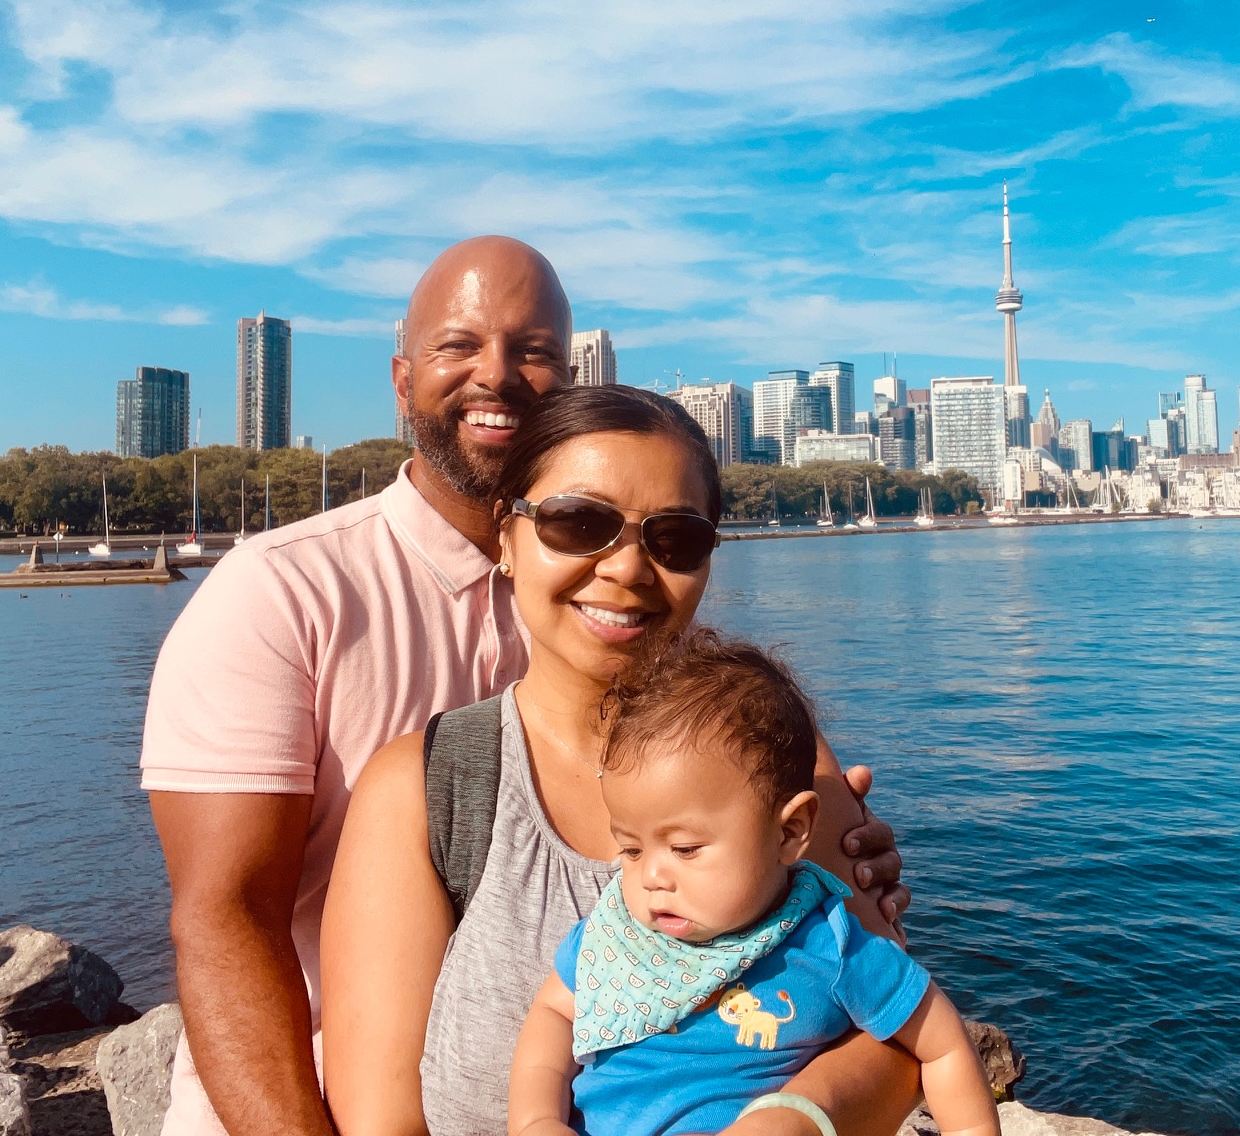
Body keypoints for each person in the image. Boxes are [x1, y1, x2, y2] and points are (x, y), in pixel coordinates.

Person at [141, 238, 907, 1136]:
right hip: (283, 1102)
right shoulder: (281, 594)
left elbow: (885, 1002)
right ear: (401, 377)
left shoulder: (697, 686)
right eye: (457, 345)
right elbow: (224, 917)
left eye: (535, 351)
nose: (496, 376)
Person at [320, 386, 924, 1136]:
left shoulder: (775, 749)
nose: (629, 568)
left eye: (674, 538)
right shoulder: (427, 789)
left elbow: (906, 1034)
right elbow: (380, 1119)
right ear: (505, 539)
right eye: (579, 522)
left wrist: (800, 1113)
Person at [508, 632, 999, 1136]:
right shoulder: (613, 937)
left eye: (685, 849)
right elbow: (554, 1011)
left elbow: (941, 1045)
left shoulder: (831, 947)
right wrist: (536, 1119)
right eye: (631, 850)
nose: (651, 877)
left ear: (788, 832)